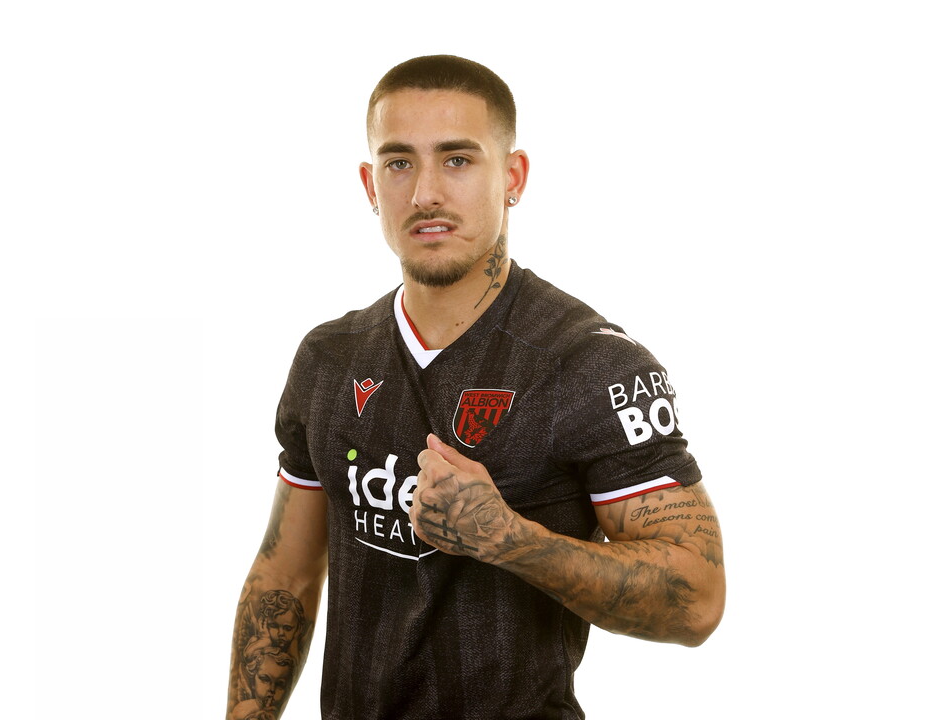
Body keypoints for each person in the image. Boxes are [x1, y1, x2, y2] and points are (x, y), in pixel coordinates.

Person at [226, 54, 725, 720]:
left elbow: (696, 601)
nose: (426, 192)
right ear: (371, 185)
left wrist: (506, 537)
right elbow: (283, 575)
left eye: (457, 160)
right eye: (400, 163)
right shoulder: (328, 358)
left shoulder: (590, 364)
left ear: (512, 177)